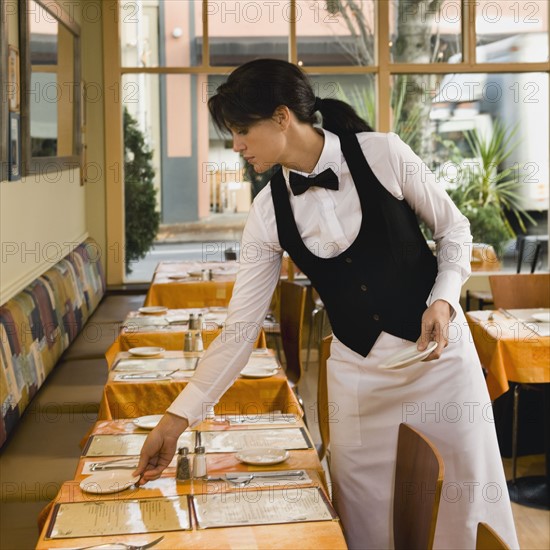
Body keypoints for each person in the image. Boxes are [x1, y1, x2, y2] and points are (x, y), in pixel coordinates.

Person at [135, 59, 519, 549]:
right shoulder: (266, 211)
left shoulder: (383, 153)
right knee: (366, 524)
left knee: (465, 511)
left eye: (241, 130)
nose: (235, 145)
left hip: (441, 368)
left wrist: (443, 301)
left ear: (280, 117)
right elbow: (239, 330)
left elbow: (455, 231)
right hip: (360, 385)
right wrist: (175, 419)